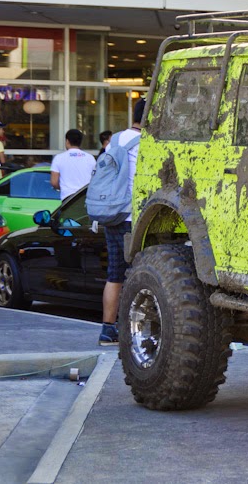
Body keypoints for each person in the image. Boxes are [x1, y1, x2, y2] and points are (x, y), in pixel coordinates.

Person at [99, 99, 144, 346]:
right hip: (132, 218)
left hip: (112, 214)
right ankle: (132, 329)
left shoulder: (114, 140)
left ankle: (107, 329)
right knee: (139, 275)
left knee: (114, 274)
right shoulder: (147, 142)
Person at [50, 129, 97, 200]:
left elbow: (54, 182)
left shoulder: (59, 158)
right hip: (86, 197)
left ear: (67, 141)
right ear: (80, 142)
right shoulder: (90, 158)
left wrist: (61, 187)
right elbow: (95, 178)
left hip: (68, 198)